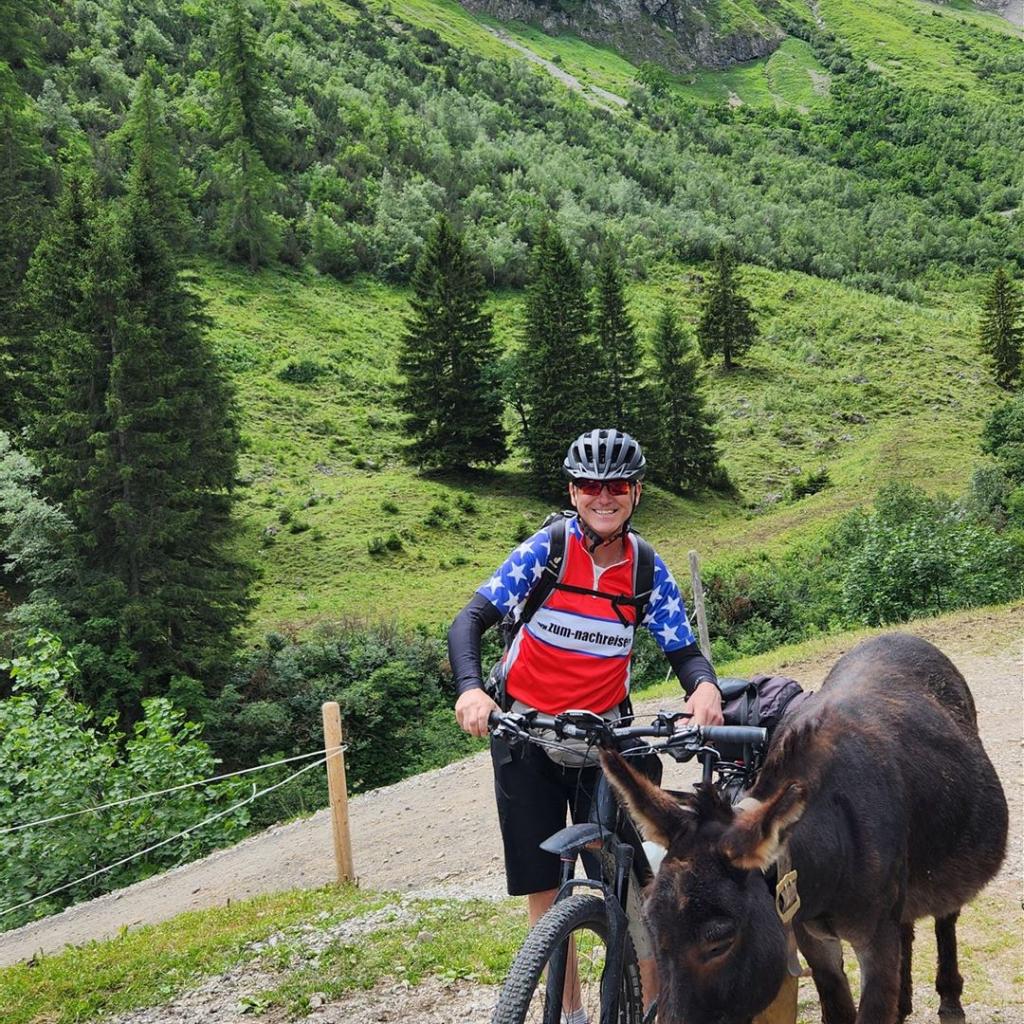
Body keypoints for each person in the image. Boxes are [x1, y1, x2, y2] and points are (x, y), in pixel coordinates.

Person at [448, 428, 723, 1019]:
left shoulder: (646, 568)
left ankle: (657, 1007)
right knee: (545, 889)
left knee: (643, 885)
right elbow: (468, 621)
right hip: (526, 733)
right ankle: (567, 1013)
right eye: (590, 485)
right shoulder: (545, 550)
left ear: (636, 492)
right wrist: (472, 690)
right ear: (573, 491)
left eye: (616, 485)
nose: (604, 496)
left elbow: (683, 650)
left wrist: (703, 688)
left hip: (606, 738)